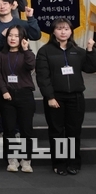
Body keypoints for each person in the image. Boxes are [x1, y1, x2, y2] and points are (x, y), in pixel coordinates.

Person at [35, 18, 96, 176]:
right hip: (55, 97)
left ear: (71, 32)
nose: (63, 32)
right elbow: (43, 77)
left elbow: (90, 68)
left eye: (66, 29)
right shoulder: (45, 51)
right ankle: (59, 163)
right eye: (59, 29)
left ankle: (74, 162)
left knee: (74, 131)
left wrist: (90, 50)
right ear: (53, 31)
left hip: (76, 97)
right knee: (57, 131)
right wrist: (49, 97)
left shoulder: (77, 50)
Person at [0, 25, 36, 173]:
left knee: (26, 130)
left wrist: (26, 49)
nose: (13, 38)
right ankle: (12, 159)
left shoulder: (27, 54)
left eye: (17, 36)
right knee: (9, 129)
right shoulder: (1, 55)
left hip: (25, 95)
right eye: (10, 35)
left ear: (22, 38)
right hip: (7, 96)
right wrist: (4, 91)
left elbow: (31, 65)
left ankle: (26, 160)